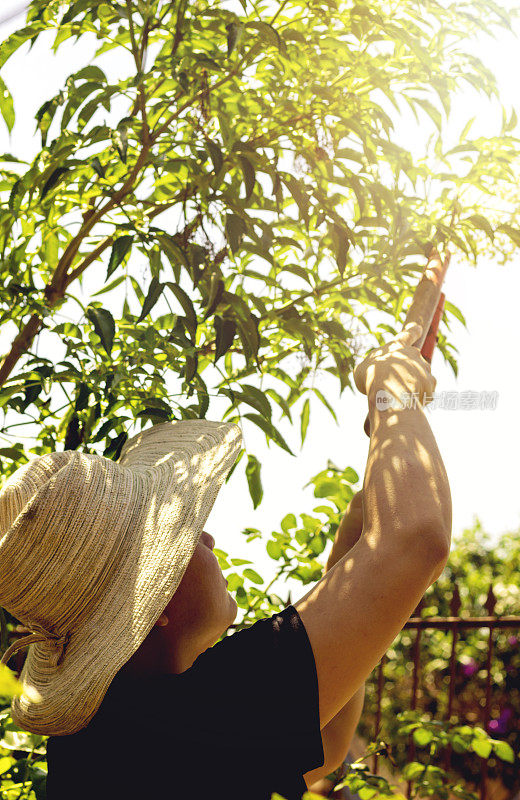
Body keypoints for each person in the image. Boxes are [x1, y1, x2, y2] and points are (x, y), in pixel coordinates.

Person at [0, 321, 452, 800]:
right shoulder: (186, 718)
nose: (209, 537)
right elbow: (416, 540)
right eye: (182, 534)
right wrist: (393, 389)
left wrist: (349, 558)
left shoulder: (112, 732)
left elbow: (326, 741)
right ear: (156, 598)